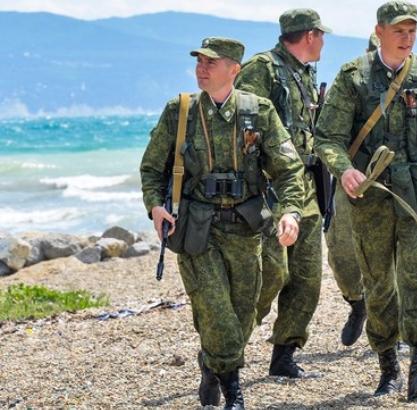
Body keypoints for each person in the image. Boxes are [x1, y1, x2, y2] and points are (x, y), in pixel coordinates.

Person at [314, 1, 417, 401]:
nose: (407, 37)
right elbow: (327, 137)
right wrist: (343, 169)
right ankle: (388, 368)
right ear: (379, 31)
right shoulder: (353, 77)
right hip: (370, 198)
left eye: (412, 30)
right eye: (399, 30)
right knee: (379, 282)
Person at [140, 37, 304, 409]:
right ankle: (234, 394)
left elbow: (288, 169)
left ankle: (212, 364)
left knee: (244, 313)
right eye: (199, 61)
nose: (201, 68)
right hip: (198, 229)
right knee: (216, 311)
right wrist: (155, 207)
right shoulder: (180, 111)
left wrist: (290, 212)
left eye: (210, 62)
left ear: (234, 69)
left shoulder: (258, 111)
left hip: (245, 227)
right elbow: (151, 168)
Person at [235, 8, 331, 378]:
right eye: (321, 35)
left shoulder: (305, 72)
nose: (323, 42)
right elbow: (242, 128)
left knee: (307, 277)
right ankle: (226, 348)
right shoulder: (263, 69)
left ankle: (284, 354)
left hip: (305, 184)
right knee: (271, 273)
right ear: (310, 35)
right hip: (271, 188)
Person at [322, 30, 383, 348]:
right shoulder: (348, 83)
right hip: (350, 178)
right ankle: (357, 305)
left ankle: (390, 326)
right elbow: (328, 135)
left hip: (393, 182)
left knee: (392, 258)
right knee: (342, 253)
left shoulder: (413, 85)